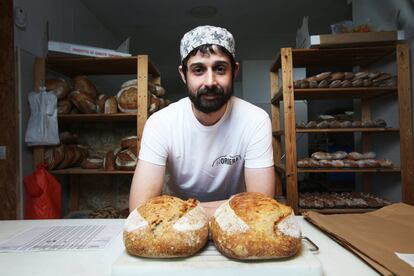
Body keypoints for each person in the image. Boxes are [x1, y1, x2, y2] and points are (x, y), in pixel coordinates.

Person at [129, 25, 275, 217]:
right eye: (198, 70)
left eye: (220, 68)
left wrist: (179, 211)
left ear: (235, 71)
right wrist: (236, 206)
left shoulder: (255, 120)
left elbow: (262, 205)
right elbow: (139, 209)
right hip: (180, 229)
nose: (210, 82)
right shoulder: (160, 123)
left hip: (236, 227)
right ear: (183, 75)